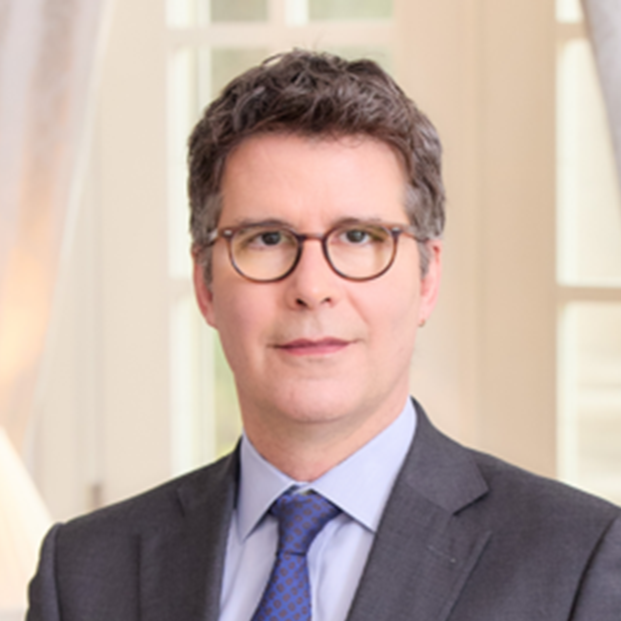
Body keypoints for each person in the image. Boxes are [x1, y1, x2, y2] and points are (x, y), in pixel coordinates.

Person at [27, 50, 620, 621]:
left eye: (359, 237)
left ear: (427, 278)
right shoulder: (81, 572)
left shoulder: (577, 563)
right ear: (205, 284)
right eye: (266, 239)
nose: (312, 287)